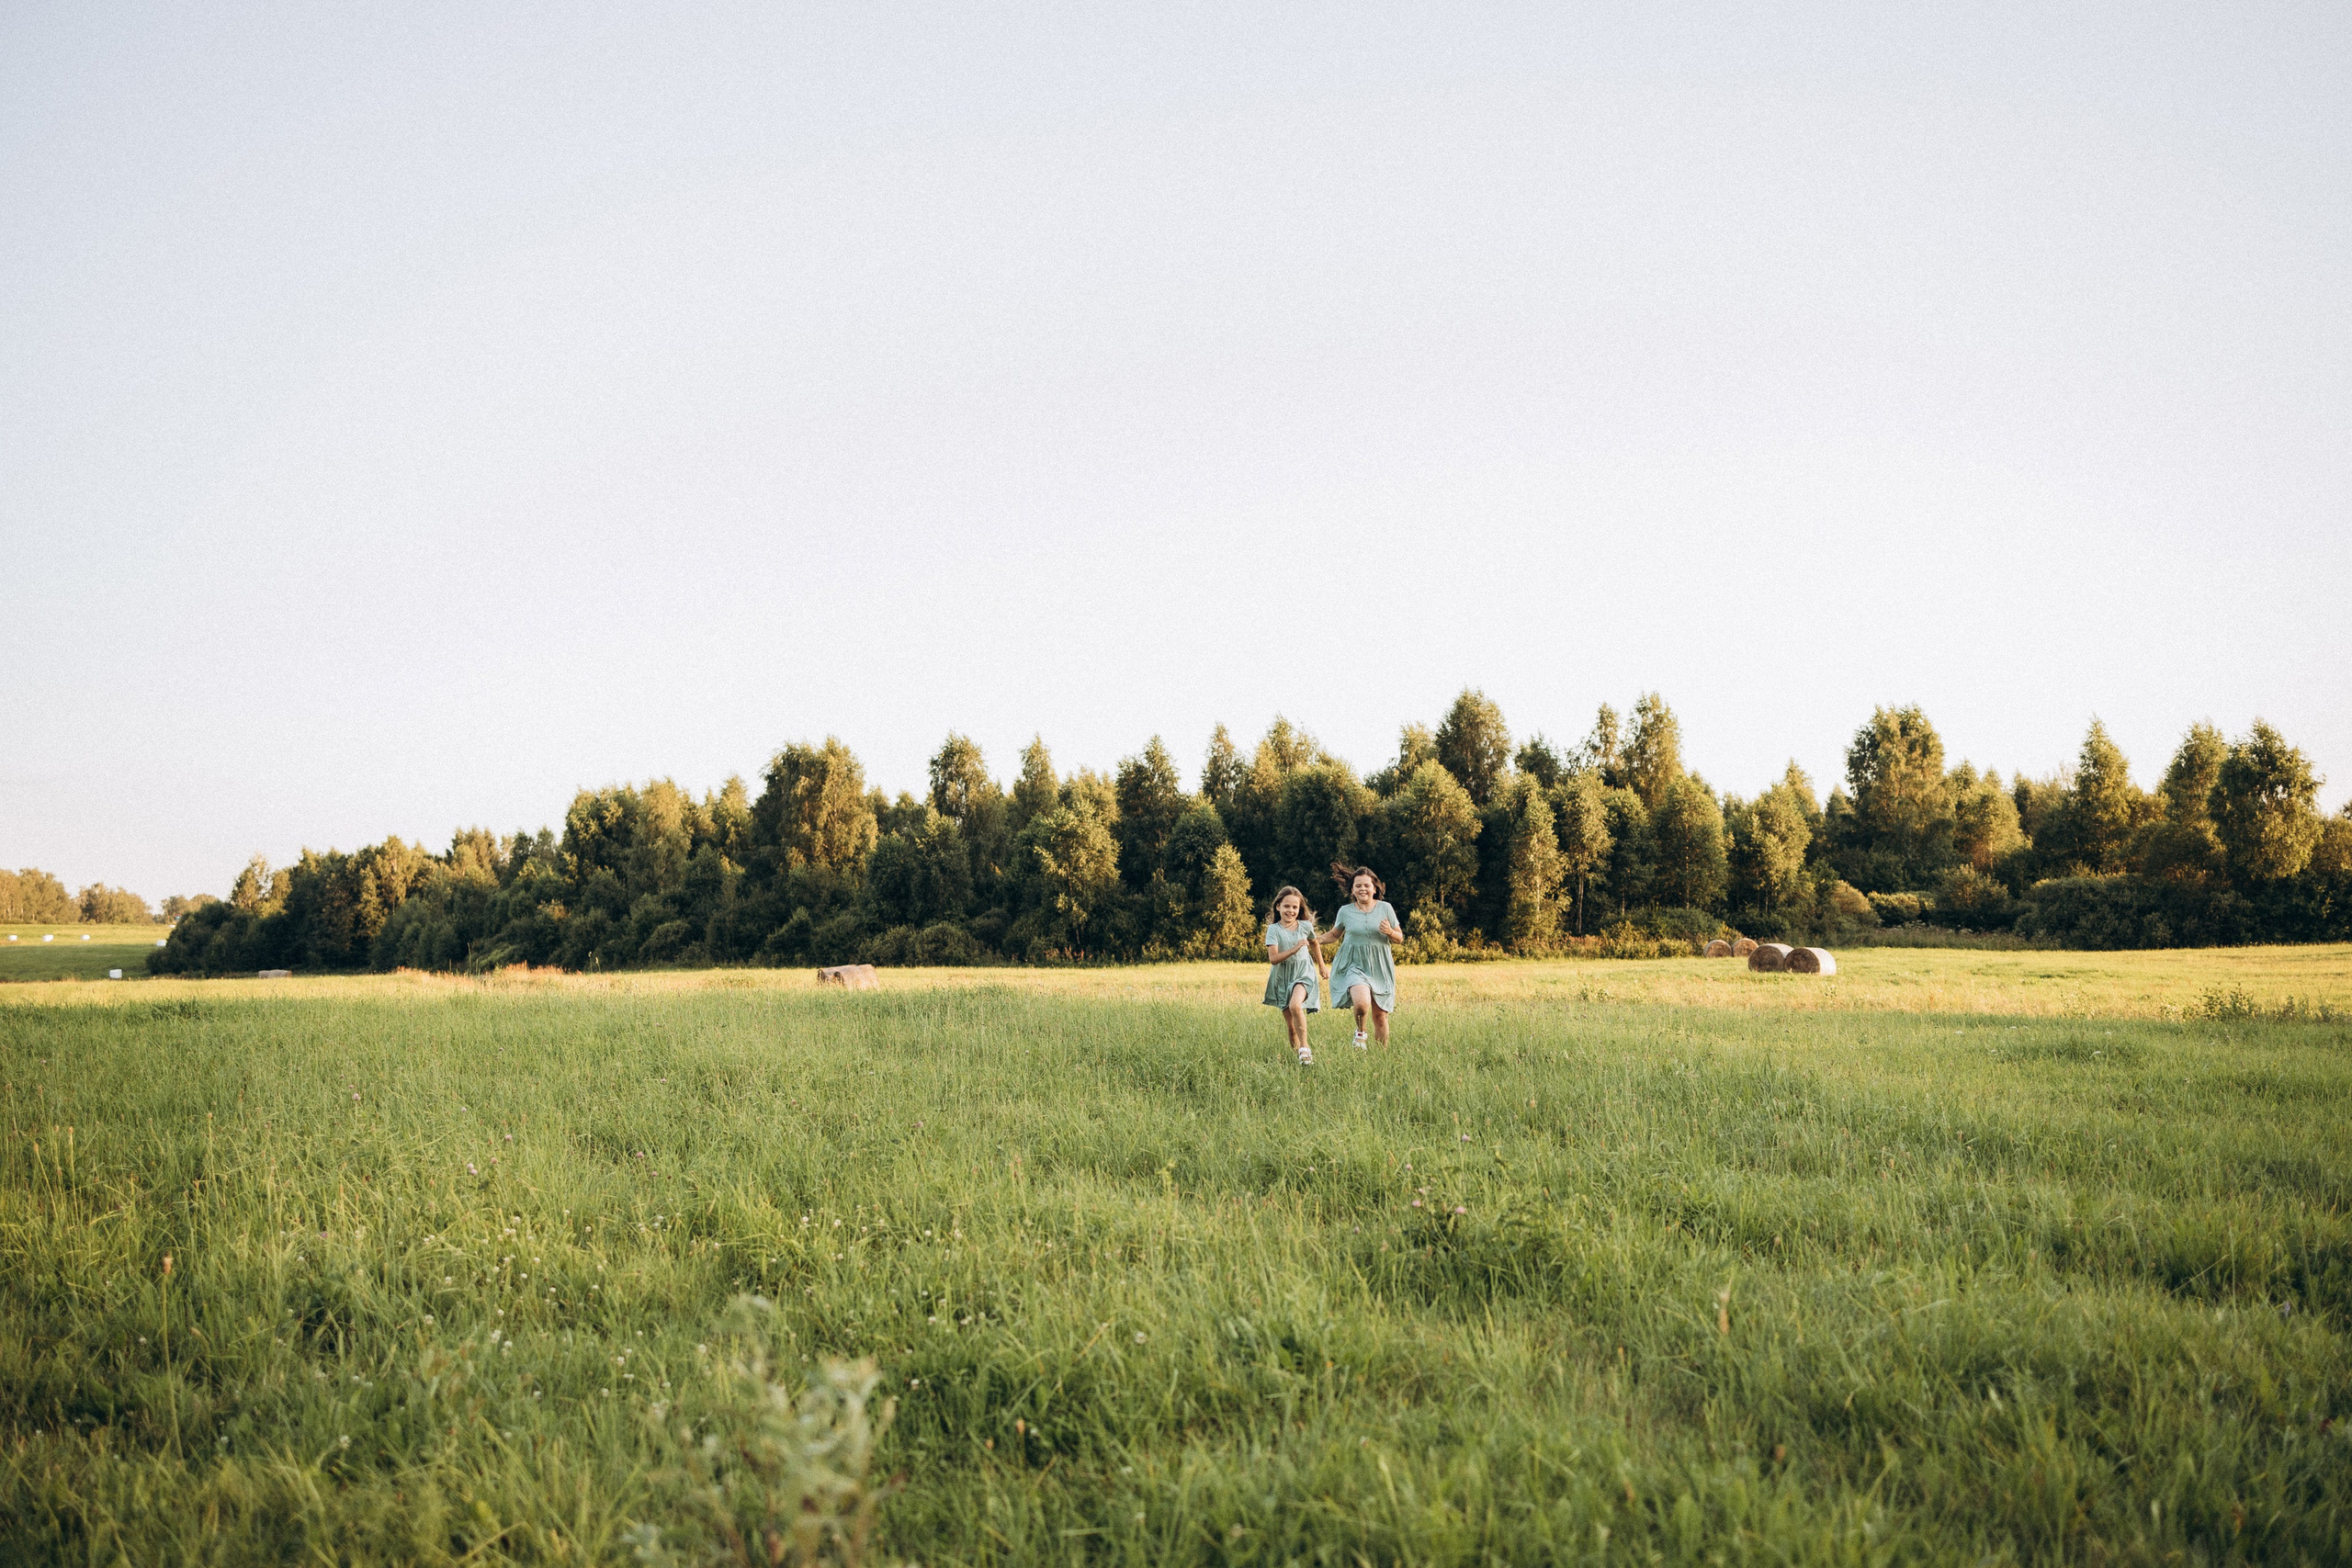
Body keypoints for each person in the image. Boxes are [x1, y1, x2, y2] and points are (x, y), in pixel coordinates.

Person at [1319, 863, 1402, 1049]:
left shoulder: (1385, 908)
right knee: (1362, 1004)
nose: (1362, 889)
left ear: (1375, 888)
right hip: (1354, 964)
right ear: (1352, 890)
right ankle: (1360, 1034)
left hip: (1380, 966)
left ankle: (1381, 1057)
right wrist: (1315, 940)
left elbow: (1399, 938)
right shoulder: (1345, 911)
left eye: (1367, 885)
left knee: (1380, 1016)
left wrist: (1389, 931)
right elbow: (1334, 934)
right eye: (1358, 885)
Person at [1262, 886, 1325, 1066]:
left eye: (1295, 907)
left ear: (1300, 909)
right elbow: (1273, 959)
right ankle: (1300, 1059)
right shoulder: (1273, 930)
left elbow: (1314, 943)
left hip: (1303, 972)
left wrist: (1321, 966)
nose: (1291, 911)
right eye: (1287, 906)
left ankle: (1305, 1048)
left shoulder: (1305, 926)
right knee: (1291, 1029)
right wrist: (1294, 948)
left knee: (1295, 1005)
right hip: (1282, 976)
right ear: (1278, 907)